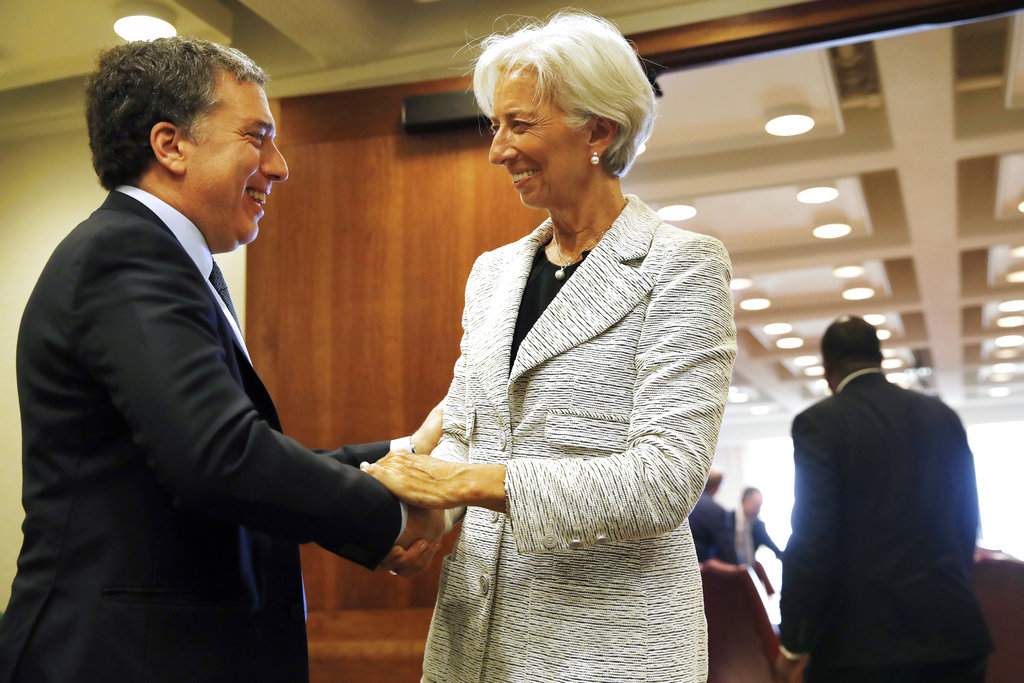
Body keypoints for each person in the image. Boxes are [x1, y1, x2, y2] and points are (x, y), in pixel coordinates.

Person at [0, 37, 444, 683]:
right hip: (115, 656)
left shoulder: (175, 262)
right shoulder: (125, 252)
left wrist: (399, 460)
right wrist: (393, 514)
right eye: (257, 136)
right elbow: (219, 457)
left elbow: (228, 451)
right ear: (170, 145)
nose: (280, 165)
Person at [362, 10, 737, 682]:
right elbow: (464, 425)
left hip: (608, 647)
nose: (497, 148)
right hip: (475, 633)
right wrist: (429, 513)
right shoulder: (493, 273)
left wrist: (461, 482)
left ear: (599, 130)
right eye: (496, 124)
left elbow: (664, 478)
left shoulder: (682, 265)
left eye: (520, 124)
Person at [774, 316, 992, 683]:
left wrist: (794, 643)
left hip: (861, 647)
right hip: (955, 634)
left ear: (827, 370)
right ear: (880, 358)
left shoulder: (820, 423)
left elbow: (814, 538)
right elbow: (967, 518)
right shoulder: (942, 416)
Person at [689, 469, 738, 563]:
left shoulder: (688, 505)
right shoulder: (717, 511)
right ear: (717, 487)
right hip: (707, 570)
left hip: (687, 565)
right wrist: (739, 570)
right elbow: (726, 547)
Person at [732, 486, 783, 565]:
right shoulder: (729, 519)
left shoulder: (759, 526)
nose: (757, 510)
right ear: (744, 502)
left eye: (759, 506)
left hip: (748, 571)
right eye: (756, 506)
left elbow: (774, 549)